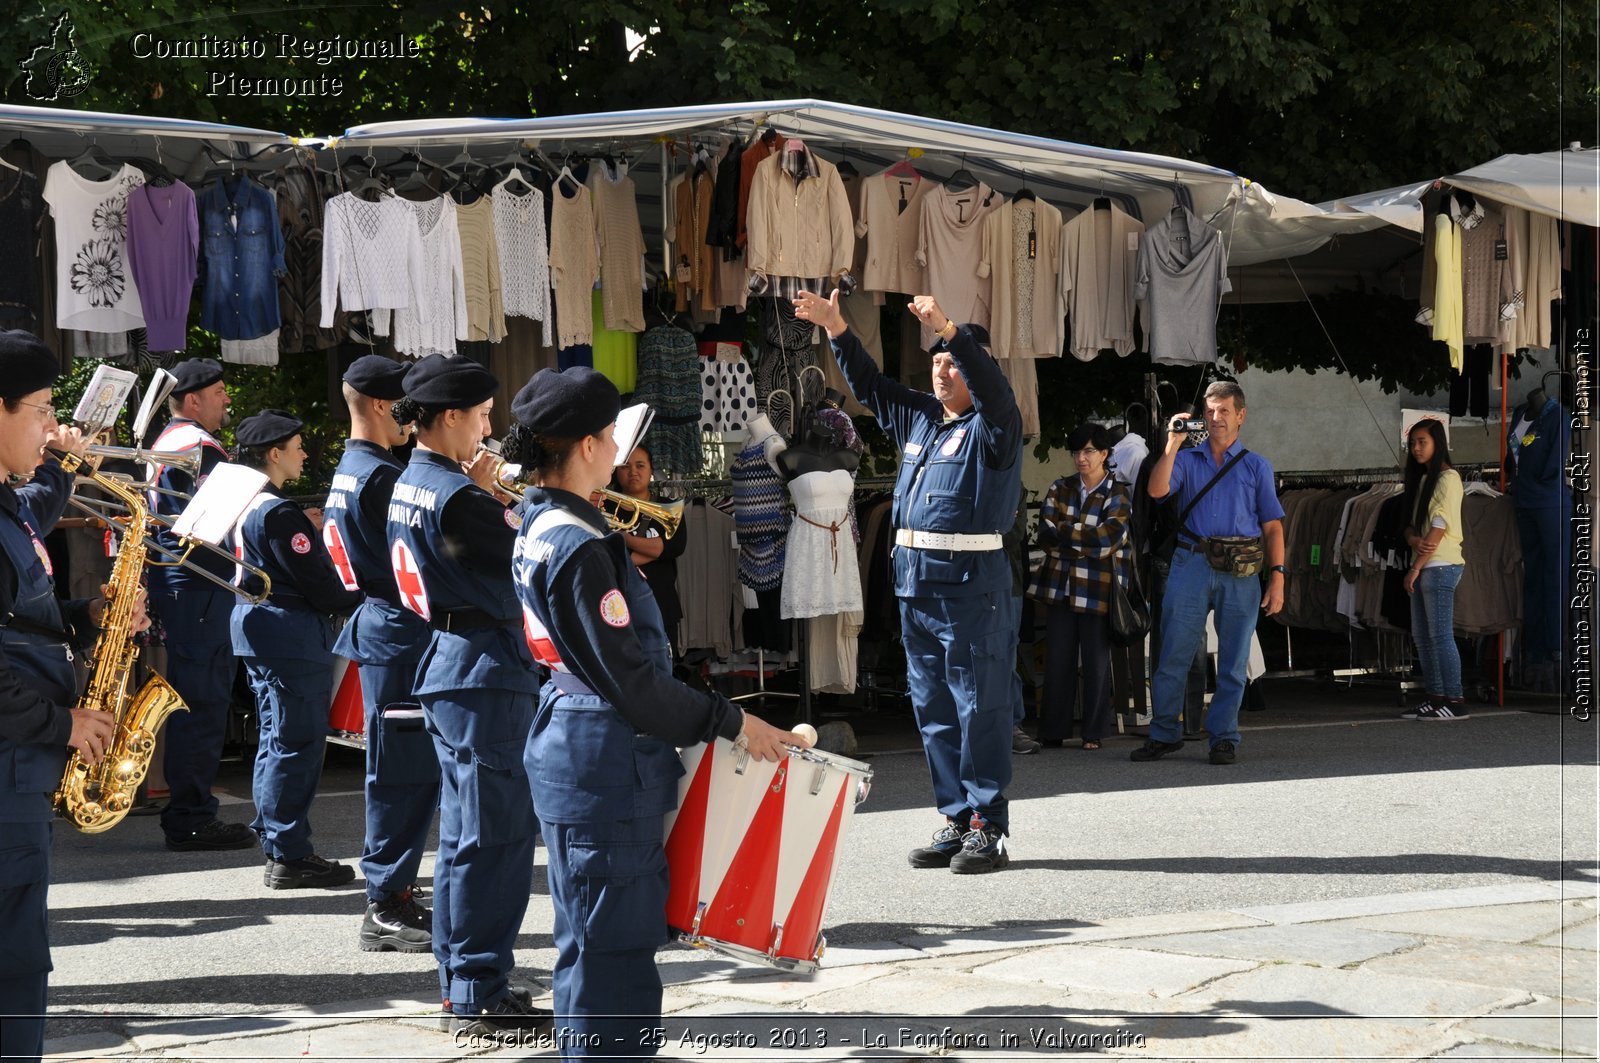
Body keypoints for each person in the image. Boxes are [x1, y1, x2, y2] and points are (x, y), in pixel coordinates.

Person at [508, 366, 800, 1057]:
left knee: (589, 945)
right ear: (584, 446)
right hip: (604, 758)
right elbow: (634, 681)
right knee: (616, 954)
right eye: (610, 438)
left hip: (577, 743)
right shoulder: (581, 544)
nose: (615, 451)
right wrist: (729, 720)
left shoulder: (540, 521)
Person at [793, 287, 1023, 875]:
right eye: (938, 363)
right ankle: (954, 818)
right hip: (917, 590)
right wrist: (838, 327)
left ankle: (987, 827)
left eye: (953, 362)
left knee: (981, 709)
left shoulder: (995, 427)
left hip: (972, 590)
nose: (942, 371)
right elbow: (869, 386)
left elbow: (992, 390)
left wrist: (949, 330)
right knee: (936, 710)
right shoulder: (920, 416)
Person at [384, 353, 549, 1039]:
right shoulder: (458, 496)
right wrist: (520, 497)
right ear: (450, 417)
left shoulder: (414, 481)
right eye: (482, 416)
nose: (488, 430)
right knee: (497, 838)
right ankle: (481, 986)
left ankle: (462, 979)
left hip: (452, 663)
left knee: (461, 837)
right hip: (485, 668)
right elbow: (530, 552)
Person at [0, 330, 144, 1063]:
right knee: (15, 960)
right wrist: (63, 721)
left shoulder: (9, 500)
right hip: (9, 769)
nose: (52, 428)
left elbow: (14, 620)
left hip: (20, 769)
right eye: (41, 411)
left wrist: (90, 615)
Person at [323, 354, 440, 951]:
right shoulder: (382, 475)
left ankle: (391, 893)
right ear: (376, 405)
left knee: (399, 767)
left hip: (381, 625)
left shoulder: (353, 466)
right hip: (398, 629)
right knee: (402, 771)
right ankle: (386, 900)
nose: (408, 416)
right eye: (400, 403)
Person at [230, 409, 365, 888]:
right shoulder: (279, 512)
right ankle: (289, 852)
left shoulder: (248, 502)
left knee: (276, 739)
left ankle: (275, 837)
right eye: (297, 446)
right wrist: (364, 592)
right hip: (288, 634)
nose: (304, 453)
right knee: (298, 744)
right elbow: (323, 588)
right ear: (274, 454)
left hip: (258, 630)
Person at [1133, 381, 1285, 765]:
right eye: (1211, 411)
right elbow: (1156, 491)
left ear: (1240, 415)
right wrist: (1171, 443)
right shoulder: (1185, 459)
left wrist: (1279, 577)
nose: (1216, 418)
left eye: (1224, 411)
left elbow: (1272, 527)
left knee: (1233, 660)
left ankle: (1223, 737)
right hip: (1191, 562)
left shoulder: (1256, 465)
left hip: (1240, 568)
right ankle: (1165, 733)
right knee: (1173, 654)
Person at [146, 357, 257, 852]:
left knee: (197, 698)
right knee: (203, 703)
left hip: (181, 584)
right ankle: (191, 816)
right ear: (193, 400)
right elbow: (216, 519)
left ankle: (189, 811)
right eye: (219, 393)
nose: (227, 399)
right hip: (197, 584)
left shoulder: (171, 438)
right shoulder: (198, 446)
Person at [1026, 423, 1132, 750]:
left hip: (1100, 587)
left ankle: (1094, 732)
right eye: (1076, 452)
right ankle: (1053, 730)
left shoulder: (1118, 491)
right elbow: (1045, 535)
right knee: (1058, 658)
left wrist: (1068, 533)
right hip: (1059, 587)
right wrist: (1083, 540)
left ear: (1105, 454)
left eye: (1088, 451)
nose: (1081, 458)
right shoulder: (1061, 487)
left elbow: (1109, 538)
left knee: (1097, 662)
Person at [1399, 417, 1468, 720]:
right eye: (1413, 442)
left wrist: (1415, 567)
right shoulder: (1424, 479)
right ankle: (1435, 695)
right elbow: (1413, 527)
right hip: (1427, 564)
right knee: (1422, 636)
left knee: (1440, 636)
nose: (1416, 448)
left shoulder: (1448, 477)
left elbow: (1439, 527)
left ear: (1438, 443)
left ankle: (1455, 699)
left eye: (1422, 442)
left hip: (1440, 566)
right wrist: (1413, 538)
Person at [611, 444, 687, 659]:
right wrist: (654, 550)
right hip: (618, 607)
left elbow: (674, 547)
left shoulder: (670, 508)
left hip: (661, 604)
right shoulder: (604, 507)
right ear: (616, 471)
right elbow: (603, 552)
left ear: (651, 469)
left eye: (640, 465)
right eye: (625, 466)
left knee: (663, 671)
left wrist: (625, 539)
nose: (633, 471)